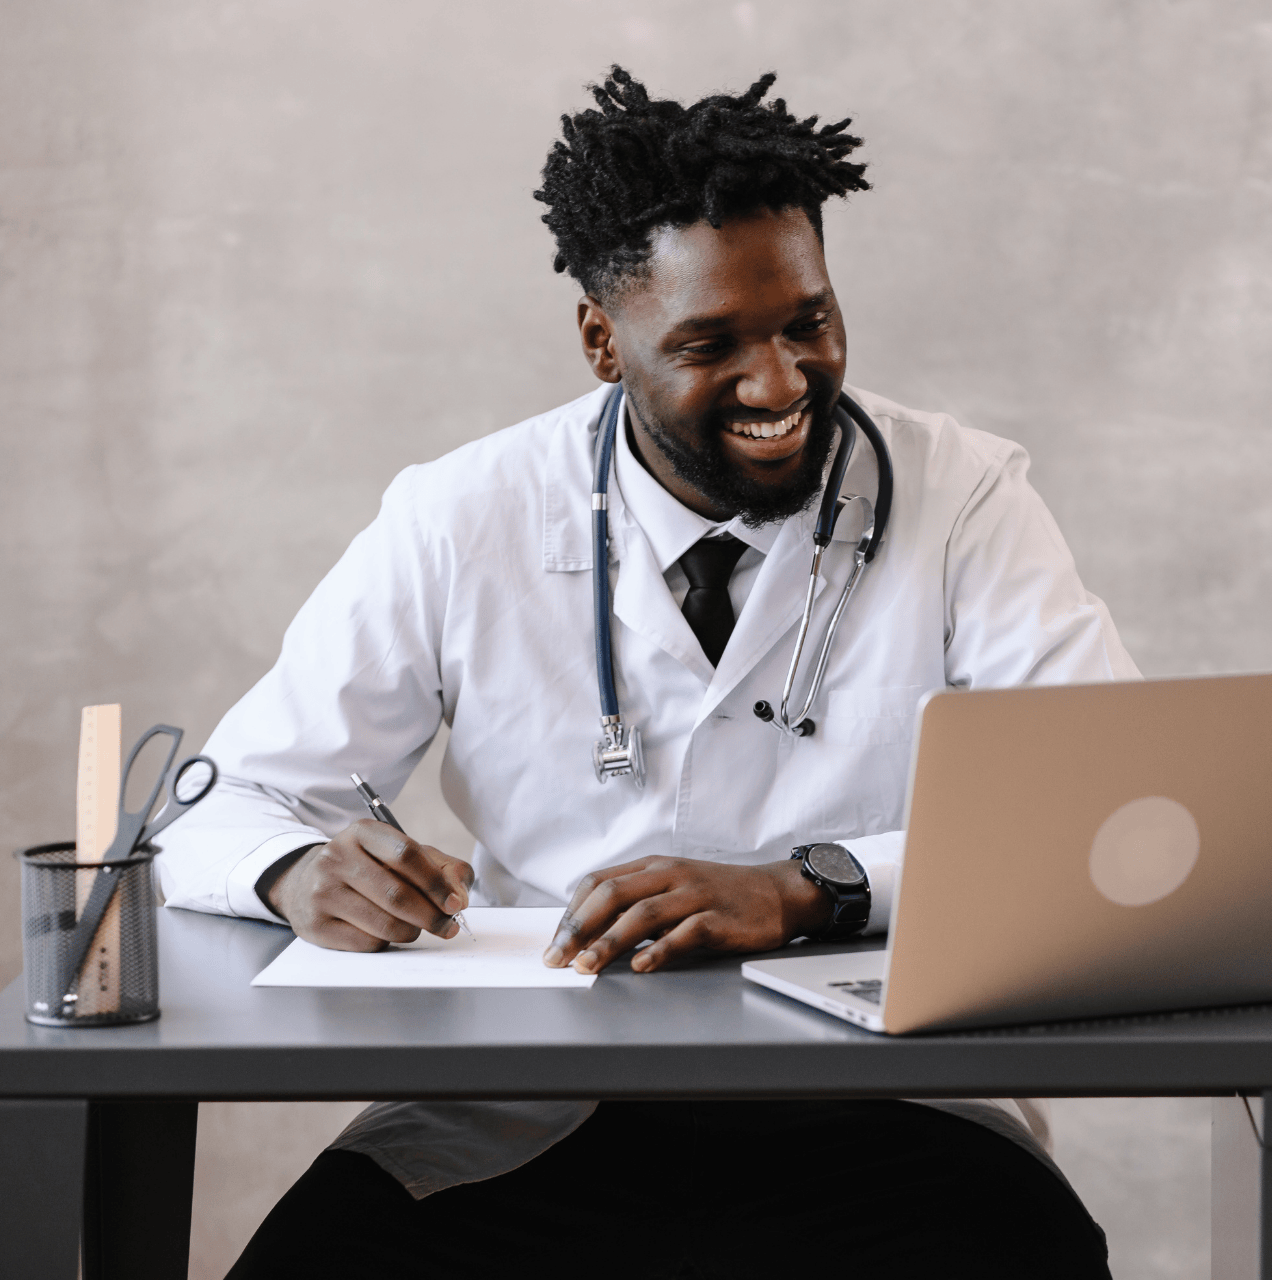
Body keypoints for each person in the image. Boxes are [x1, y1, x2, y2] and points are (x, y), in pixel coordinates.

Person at [160, 67, 1133, 1279]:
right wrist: (295, 866)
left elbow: (1092, 810)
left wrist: (808, 886)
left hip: (887, 1099)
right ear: (600, 340)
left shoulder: (966, 494)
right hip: (532, 1106)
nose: (779, 382)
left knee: (1023, 1253)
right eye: (710, 342)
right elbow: (211, 811)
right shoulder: (462, 515)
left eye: (807, 323)